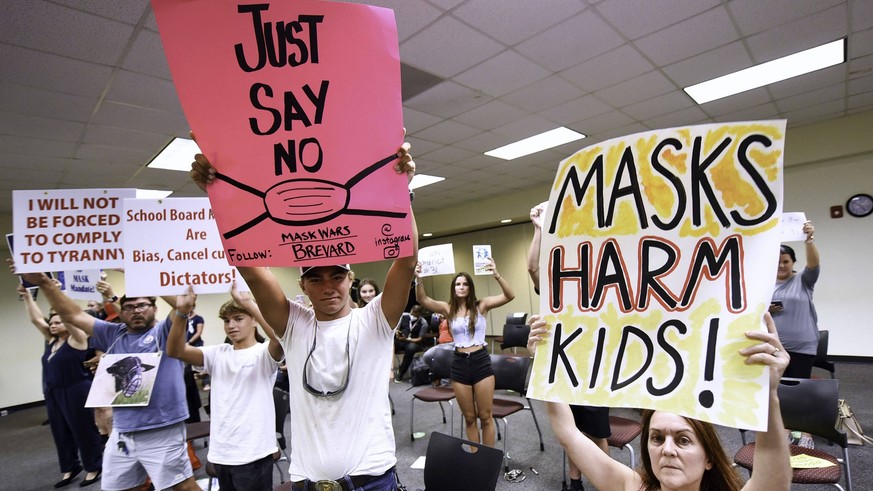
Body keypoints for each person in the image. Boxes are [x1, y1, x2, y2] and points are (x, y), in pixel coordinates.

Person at [190, 139, 416, 490]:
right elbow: (251, 270)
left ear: (350, 279)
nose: (328, 287)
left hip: (371, 481)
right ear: (303, 284)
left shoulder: (374, 321)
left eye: (337, 276)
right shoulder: (294, 324)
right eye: (316, 278)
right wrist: (218, 192)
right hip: (307, 483)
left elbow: (406, 260)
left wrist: (401, 191)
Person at [528, 313, 792, 491]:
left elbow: (773, 476)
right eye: (656, 438)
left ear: (709, 457)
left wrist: (767, 394)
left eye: (683, 440)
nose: (667, 449)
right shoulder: (633, 486)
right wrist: (545, 363)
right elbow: (569, 434)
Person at [13, 266, 200, 491]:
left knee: (184, 487)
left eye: (142, 305)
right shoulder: (112, 333)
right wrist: (44, 282)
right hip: (122, 431)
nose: (136, 311)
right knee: (121, 488)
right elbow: (73, 314)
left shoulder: (166, 331)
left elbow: (181, 306)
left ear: (154, 308)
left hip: (161, 428)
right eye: (129, 307)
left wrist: (136, 270)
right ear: (121, 312)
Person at [167, 283, 283, 491]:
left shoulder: (263, 352)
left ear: (254, 321)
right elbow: (175, 350)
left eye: (238, 319)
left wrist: (248, 303)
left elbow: (280, 337)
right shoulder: (218, 353)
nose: (231, 325)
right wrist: (182, 313)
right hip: (222, 451)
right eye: (227, 321)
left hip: (254, 452)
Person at [527, 202, 610, 490]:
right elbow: (532, 266)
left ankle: (605, 482)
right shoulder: (557, 282)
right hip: (565, 363)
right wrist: (539, 230)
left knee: (598, 433)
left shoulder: (601, 279)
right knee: (571, 431)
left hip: (595, 364)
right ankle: (575, 484)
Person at [414, 258, 515, 446]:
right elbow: (423, 299)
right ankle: (476, 459)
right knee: (469, 417)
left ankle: (488, 459)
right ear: (453, 288)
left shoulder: (481, 305)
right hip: (459, 363)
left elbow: (509, 296)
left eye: (465, 284)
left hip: (481, 361)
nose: (461, 287)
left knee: (485, 416)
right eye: (458, 284)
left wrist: (496, 274)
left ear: (470, 287)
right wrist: (418, 278)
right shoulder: (448, 308)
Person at [17, 282, 103, 488]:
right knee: (60, 431)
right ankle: (70, 467)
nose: (53, 325)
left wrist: (54, 293)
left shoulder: (78, 339)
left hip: (76, 389)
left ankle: (93, 466)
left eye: (57, 321)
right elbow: (37, 319)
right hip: (54, 392)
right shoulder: (52, 341)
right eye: (52, 322)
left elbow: (69, 315)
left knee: (83, 429)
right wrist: (28, 296)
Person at [770, 220, 820, 378]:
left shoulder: (803, 279)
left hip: (801, 347)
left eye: (786, 261)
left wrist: (809, 241)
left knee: (798, 390)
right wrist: (765, 309)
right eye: (777, 262)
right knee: (775, 389)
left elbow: (813, 264)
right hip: (773, 346)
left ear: (793, 262)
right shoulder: (763, 284)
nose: (782, 266)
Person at [394, 305, 428, 383]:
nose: (412, 314)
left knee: (411, 348)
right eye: (412, 311)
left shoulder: (423, 323)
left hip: (414, 342)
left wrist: (407, 339)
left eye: (415, 313)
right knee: (389, 345)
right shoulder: (403, 316)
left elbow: (420, 338)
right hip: (401, 340)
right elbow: (397, 328)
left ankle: (401, 373)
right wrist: (397, 334)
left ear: (419, 313)